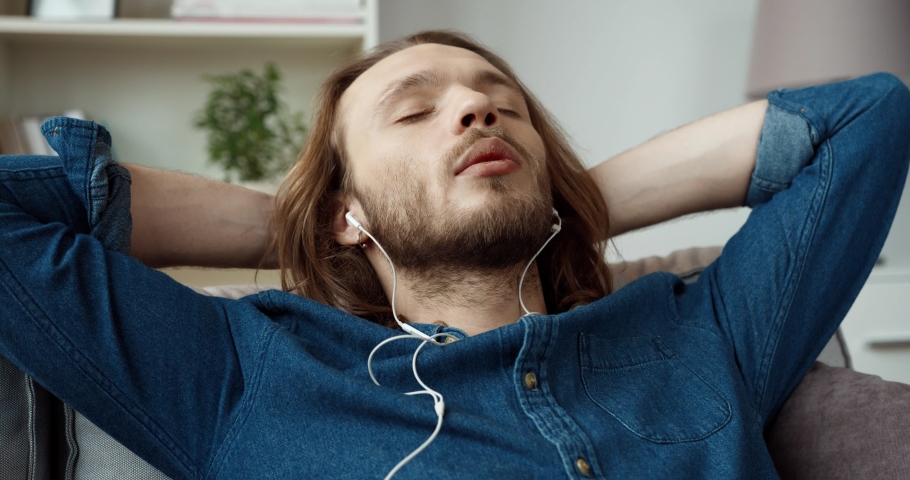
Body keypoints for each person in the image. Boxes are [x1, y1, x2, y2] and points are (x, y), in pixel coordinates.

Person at [0, 30, 908, 479]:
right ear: (343, 210)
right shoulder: (248, 372)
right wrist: (297, 225)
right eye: (414, 110)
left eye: (500, 103)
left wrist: (568, 199)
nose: (476, 110)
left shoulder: (704, 331)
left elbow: (870, 117)